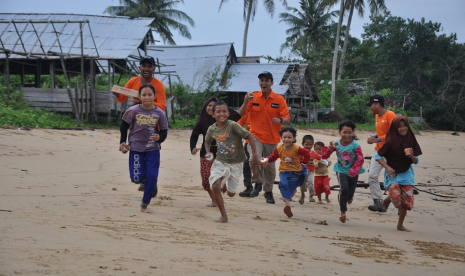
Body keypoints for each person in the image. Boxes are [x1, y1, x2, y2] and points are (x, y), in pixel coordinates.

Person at [238, 71, 291, 204]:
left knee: (270, 167)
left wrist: (279, 119)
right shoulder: (253, 97)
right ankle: (257, 183)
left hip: (272, 139)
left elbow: (287, 119)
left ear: (272, 83)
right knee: (253, 159)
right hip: (254, 135)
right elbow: (240, 115)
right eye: (261, 80)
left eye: (267, 80)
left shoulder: (279, 99)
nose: (264, 82)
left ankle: (268, 192)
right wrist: (245, 102)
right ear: (259, 83)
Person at [204, 102, 259, 223]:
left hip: (236, 163)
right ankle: (223, 216)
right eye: (218, 111)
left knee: (231, 194)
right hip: (220, 161)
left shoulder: (233, 125)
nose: (221, 114)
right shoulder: (212, 129)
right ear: (213, 114)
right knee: (215, 186)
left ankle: (225, 183)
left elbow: (250, 136)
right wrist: (208, 153)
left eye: (224, 111)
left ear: (228, 113)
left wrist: (254, 156)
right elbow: (207, 141)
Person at [119, 84, 169, 213]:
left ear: (154, 96)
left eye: (149, 94)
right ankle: (146, 180)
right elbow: (124, 127)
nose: (147, 97)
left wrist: (159, 138)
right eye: (144, 95)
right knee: (136, 178)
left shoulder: (159, 113)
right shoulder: (133, 110)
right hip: (136, 147)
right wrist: (122, 142)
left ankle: (144, 205)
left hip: (153, 149)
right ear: (139, 97)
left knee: (152, 175)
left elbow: (164, 131)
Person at [190, 98, 241, 207]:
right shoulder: (202, 120)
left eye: (212, 106)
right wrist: (192, 147)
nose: (209, 107)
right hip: (206, 153)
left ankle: (219, 192)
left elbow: (237, 116)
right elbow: (194, 136)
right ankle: (214, 198)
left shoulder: (224, 121)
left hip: (221, 153)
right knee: (205, 179)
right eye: (208, 105)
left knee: (215, 177)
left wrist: (224, 109)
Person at [375, 116, 422, 232]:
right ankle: (388, 199)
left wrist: (411, 155)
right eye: (399, 126)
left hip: (407, 173)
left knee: (407, 201)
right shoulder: (390, 141)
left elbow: (416, 161)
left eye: (404, 125)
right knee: (396, 198)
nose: (402, 128)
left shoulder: (411, 140)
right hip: (393, 173)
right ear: (395, 128)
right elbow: (377, 157)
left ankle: (400, 225)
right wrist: (387, 167)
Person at [323, 121, 365, 223]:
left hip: (354, 170)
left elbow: (360, 159)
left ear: (353, 133)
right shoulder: (336, 143)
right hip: (341, 170)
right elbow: (324, 156)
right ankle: (343, 212)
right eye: (344, 132)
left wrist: (354, 170)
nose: (347, 135)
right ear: (339, 132)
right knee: (344, 189)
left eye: (349, 132)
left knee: (351, 189)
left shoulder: (355, 145)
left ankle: (350, 196)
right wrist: (329, 149)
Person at [262, 127, 310, 218]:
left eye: (289, 137)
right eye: (284, 137)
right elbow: (273, 157)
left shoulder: (297, 148)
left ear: (294, 138)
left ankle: (292, 191)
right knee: (283, 184)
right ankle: (287, 205)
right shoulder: (279, 148)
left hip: (295, 172)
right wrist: (266, 159)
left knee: (291, 186)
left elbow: (307, 154)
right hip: (284, 171)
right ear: (281, 138)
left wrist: (302, 164)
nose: (286, 139)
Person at [366, 94, 396, 212]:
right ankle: (378, 201)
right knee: (372, 175)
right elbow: (383, 132)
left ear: (377, 104)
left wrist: (377, 139)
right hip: (378, 151)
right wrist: (374, 136)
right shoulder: (377, 116)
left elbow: (393, 134)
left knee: (394, 178)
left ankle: (399, 202)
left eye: (371, 105)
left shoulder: (390, 115)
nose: (370, 108)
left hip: (391, 152)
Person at [298, 135, 321, 204]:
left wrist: (317, 162)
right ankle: (302, 194)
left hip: (310, 171)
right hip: (302, 171)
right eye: (306, 144)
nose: (308, 146)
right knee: (302, 184)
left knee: (310, 182)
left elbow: (320, 158)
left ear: (312, 145)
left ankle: (311, 195)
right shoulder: (300, 152)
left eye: (310, 145)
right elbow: (295, 159)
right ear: (302, 144)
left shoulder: (314, 154)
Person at [237, 112, 254, 197]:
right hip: (248, 142)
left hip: (264, 142)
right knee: (246, 164)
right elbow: (237, 126)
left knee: (263, 164)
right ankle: (248, 187)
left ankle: (265, 188)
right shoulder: (246, 114)